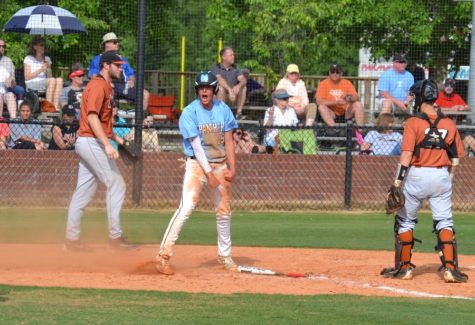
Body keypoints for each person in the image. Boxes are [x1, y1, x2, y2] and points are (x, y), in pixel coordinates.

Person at [381, 79, 468, 283]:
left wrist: (397, 182)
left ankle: (404, 268)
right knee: (444, 221)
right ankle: (450, 268)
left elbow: (406, 156)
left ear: (420, 98)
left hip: (417, 175)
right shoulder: (449, 123)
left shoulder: (413, 123)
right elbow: (455, 159)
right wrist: (448, 179)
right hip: (441, 175)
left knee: (405, 221)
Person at [155, 71, 238, 275]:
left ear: (214, 90)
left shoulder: (223, 109)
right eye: (201, 87)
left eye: (208, 87)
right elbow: (196, 146)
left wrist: (232, 167)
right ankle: (163, 256)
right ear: (197, 90)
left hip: (219, 164)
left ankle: (225, 256)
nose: (204, 90)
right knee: (186, 207)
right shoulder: (189, 112)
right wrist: (208, 173)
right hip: (197, 164)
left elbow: (228, 140)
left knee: (224, 212)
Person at [65, 51, 135, 251]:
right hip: (90, 141)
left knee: (83, 192)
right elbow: (93, 118)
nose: (120, 68)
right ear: (106, 65)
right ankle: (115, 238)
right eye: (117, 65)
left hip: (91, 140)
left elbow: (104, 125)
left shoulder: (105, 86)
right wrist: (106, 145)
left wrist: (118, 141)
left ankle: (71, 241)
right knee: (116, 183)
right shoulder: (97, 86)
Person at [88, 32, 150, 111]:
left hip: (124, 87)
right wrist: (106, 83)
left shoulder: (122, 58)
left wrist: (131, 80)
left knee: (145, 94)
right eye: (115, 42)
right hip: (107, 86)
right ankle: (111, 116)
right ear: (106, 44)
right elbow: (92, 76)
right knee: (110, 92)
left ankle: (139, 120)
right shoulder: (98, 59)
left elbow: (130, 73)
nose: (117, 44)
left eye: (117, 42)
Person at [23, 36, 63, 110]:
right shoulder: (28, 58)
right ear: (35, 46)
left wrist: (47, 68)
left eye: (44, 45)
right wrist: (41, 69)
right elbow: (27, 77)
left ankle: (55, 107)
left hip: (45, 82)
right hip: (32, 83)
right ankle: (48, 107)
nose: (43, 47)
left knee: (59, 80)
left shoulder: (47, 59)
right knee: (52, 80)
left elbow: (50, 77)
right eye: (41, 45)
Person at [211, 47, 247, 120]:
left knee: (244, 87)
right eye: (231, 55)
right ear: (224, 57)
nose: (233, 56)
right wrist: (230, 90)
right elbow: (219, 79)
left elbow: (243, 79)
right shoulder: (216, 67)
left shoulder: (235, 68)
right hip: (218, 97)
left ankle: (238, 114)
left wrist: (238, 86)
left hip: (232, 97)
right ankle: (221, 115)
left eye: (233, 55)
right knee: (220, 89)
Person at [0, 39, 24, 118]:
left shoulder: (8, 61)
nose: (2, 48)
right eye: (0, 46)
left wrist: (11, 82)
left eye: (3, 46)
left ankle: (14, 121)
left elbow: (14, 83)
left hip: (5, 92)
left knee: (10, 95)